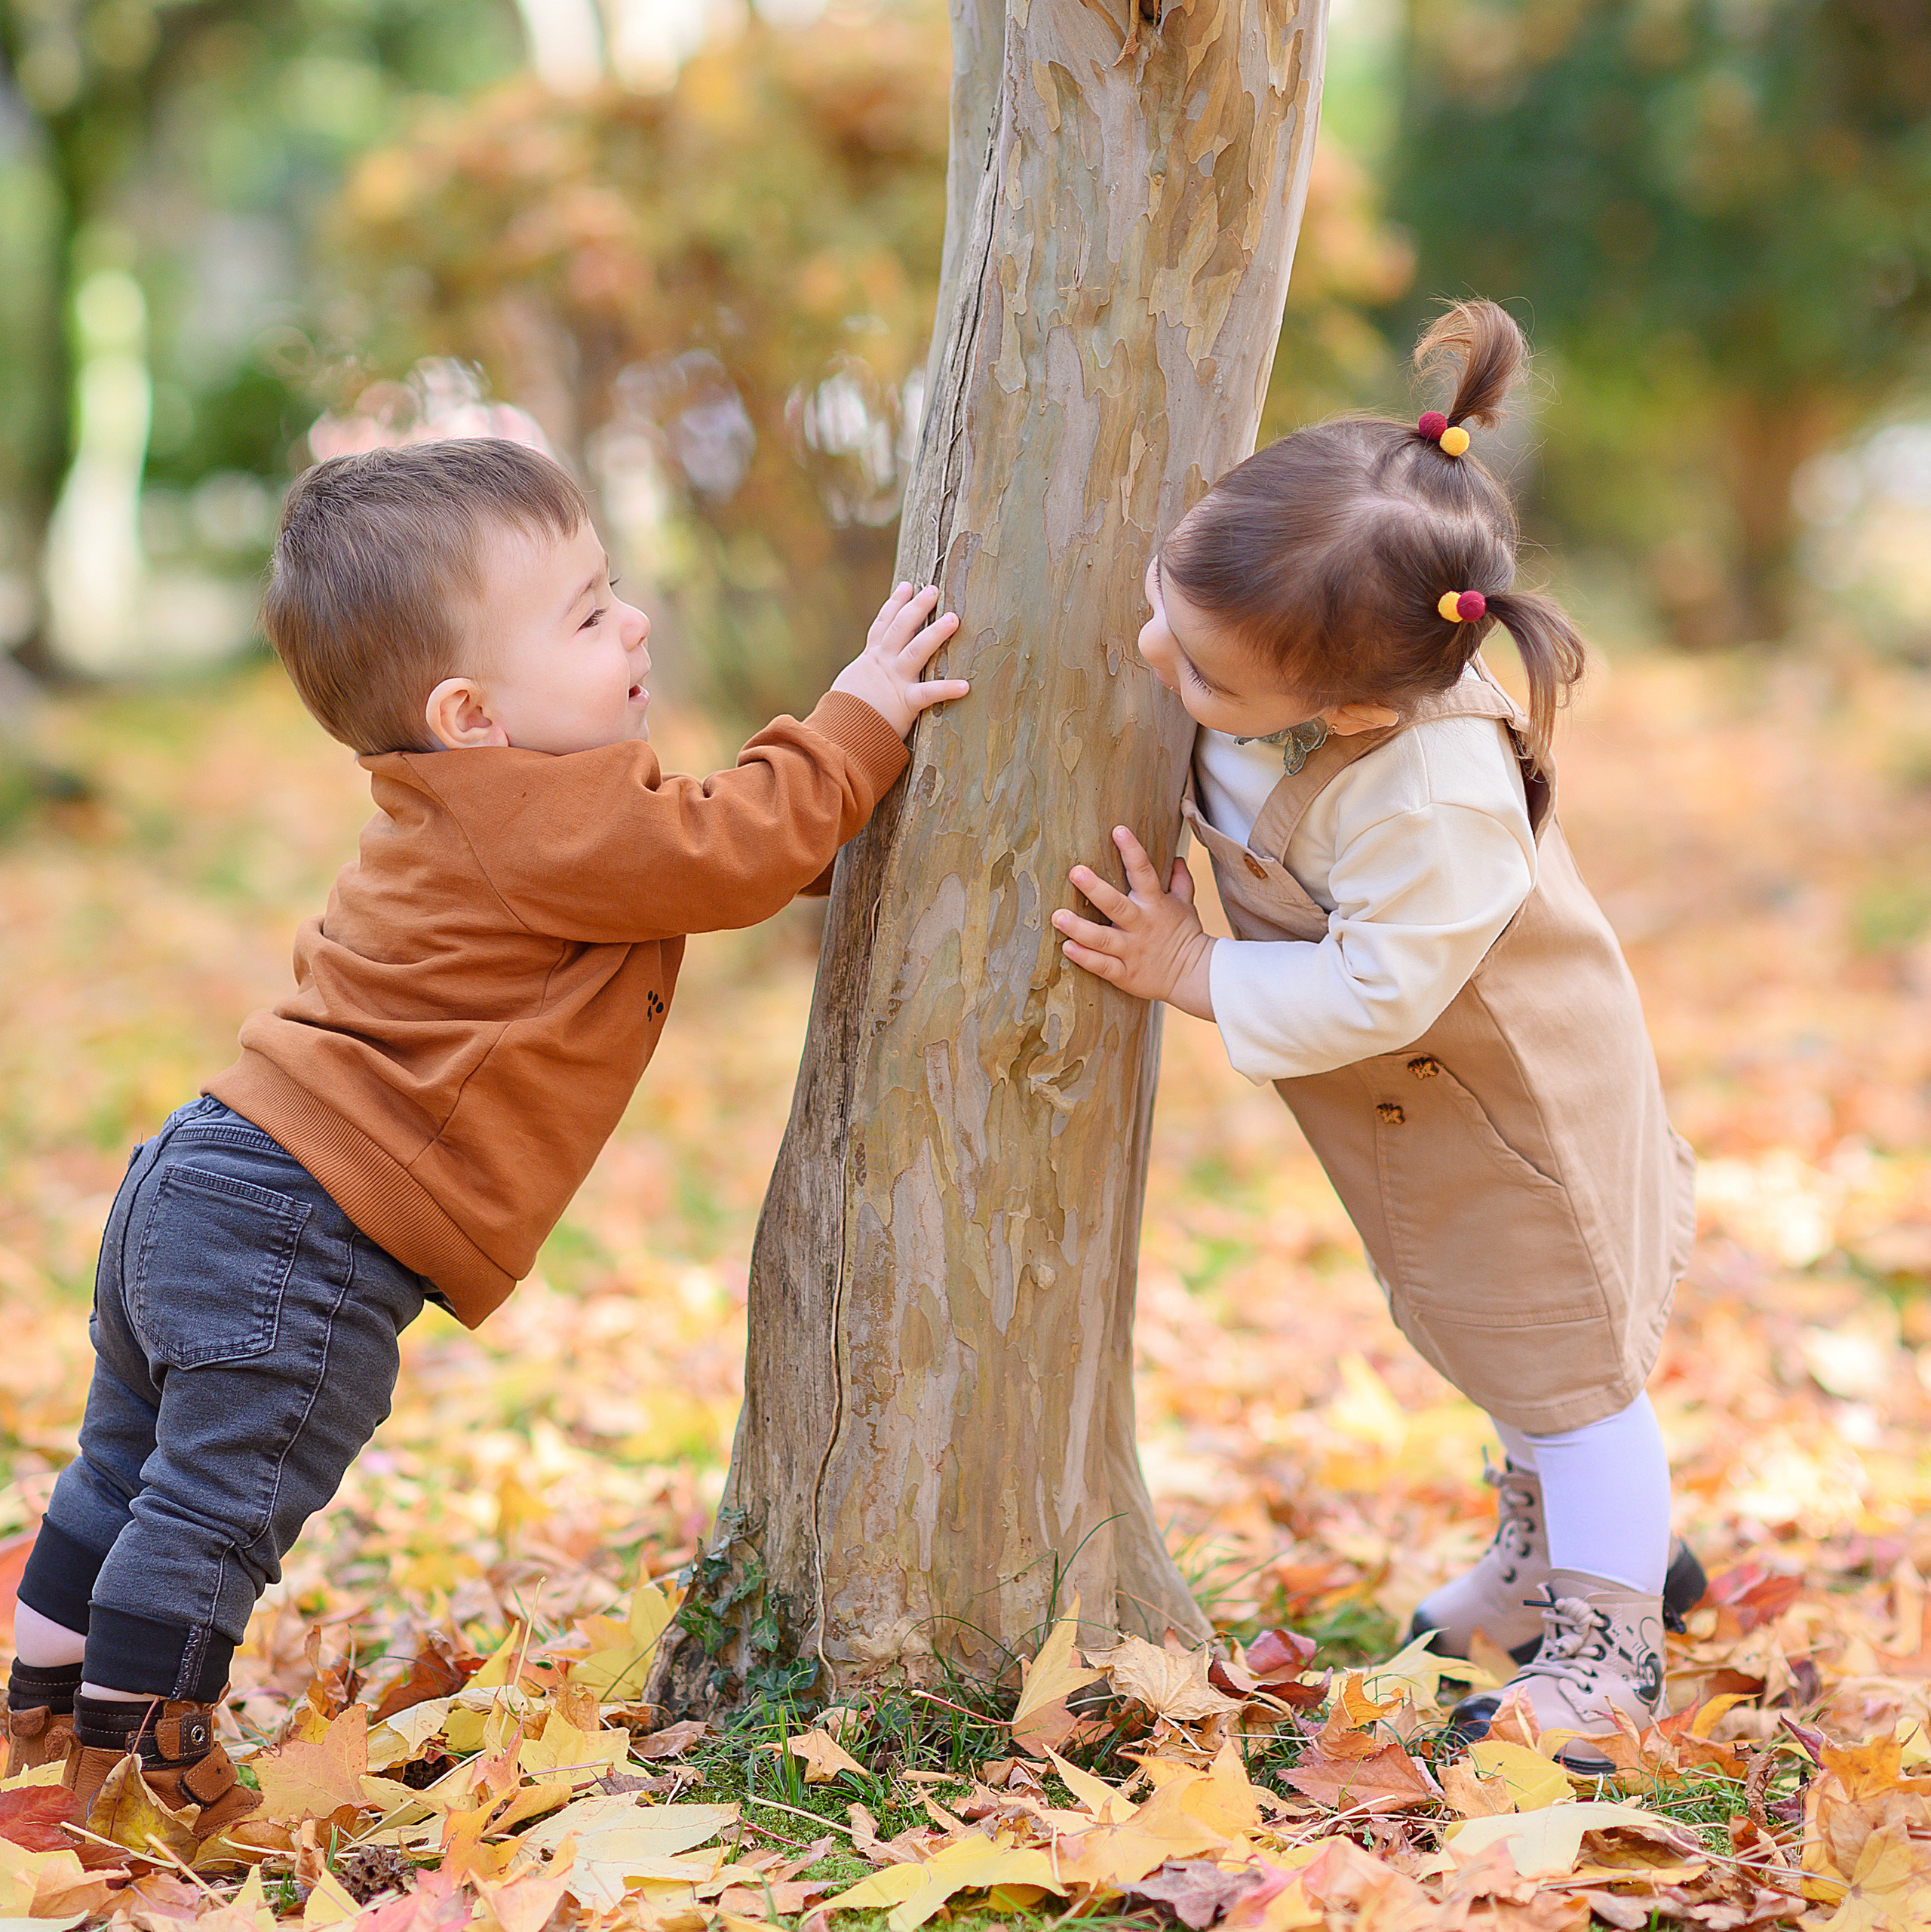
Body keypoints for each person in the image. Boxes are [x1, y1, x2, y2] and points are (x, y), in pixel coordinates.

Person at [5, 440, 968, 1838]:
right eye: (587, 616)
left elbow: (698, 844)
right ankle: (148, 1763)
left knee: (122, 1471)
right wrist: (858, 718)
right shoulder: (541, 817)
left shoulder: (478, 808)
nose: (632, 622)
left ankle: (38, 1724)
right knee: (218, 1503)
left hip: (207, 1174)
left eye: (614, 592)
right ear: (470, 712)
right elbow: (734, 848)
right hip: (304, 1223)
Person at [1051, 302, 1699, 1774]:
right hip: (1423, 1112)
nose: (1157, 655)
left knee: (1571, 1365)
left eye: (1203, 672)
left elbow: (1381, 992)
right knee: (1493, 1338)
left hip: (1512, 1111)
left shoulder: (1429, 790)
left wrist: (1190, 966)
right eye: (1163, 607)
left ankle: (1607, 1650)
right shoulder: (1287, 650)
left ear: (1344, 711)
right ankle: (1542, 1562)